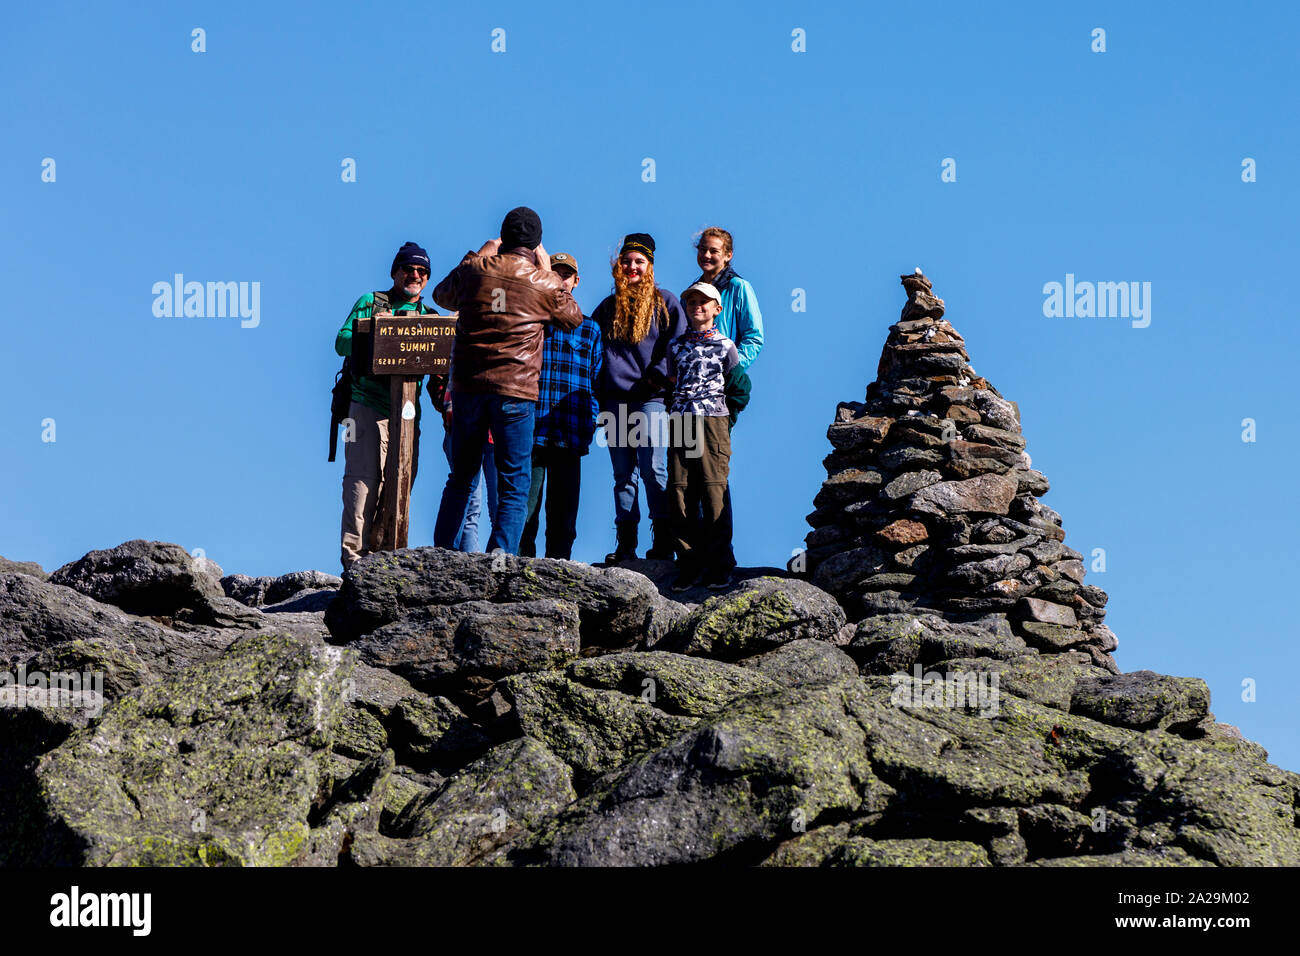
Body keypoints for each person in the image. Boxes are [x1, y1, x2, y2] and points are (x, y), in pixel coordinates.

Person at [430, 207, 582, 555]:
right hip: (516, 391)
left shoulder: (475, 271)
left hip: (469, 387)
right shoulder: (542, 281)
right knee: (514, 482)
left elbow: (441, 295)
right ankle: (500, 559)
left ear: (503, 237)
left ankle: (441, 555)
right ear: (537, 244)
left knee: (461, 478)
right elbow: (573, 317)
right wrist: (546, 270)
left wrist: (479, 253)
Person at [335, 241, 437, 570]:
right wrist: (377, 330)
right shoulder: (372, 302)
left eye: (422, 271)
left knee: (400, 487)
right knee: (363, 484)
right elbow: (341, 342)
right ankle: (354, 564)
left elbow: (441, 370)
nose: (415, 275)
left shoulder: (430, 318)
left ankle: (384, 564)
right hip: (366, 407)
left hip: (407, 417)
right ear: (394, 272)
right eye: (408, 269)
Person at [592, 233, 687, 564]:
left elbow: (677, 343)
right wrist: (600, 393)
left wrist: (657, 376)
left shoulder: (666, 302)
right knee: (623, 475)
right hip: (615, 401)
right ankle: (626, 544)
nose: (632, 266)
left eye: (639, 261)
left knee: (653, 467)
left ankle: (663, 540)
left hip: (652, 398)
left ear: (650, 266)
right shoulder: (607, 307)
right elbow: (594, 351)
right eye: (627, 261)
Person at [519, 253, 602, 560]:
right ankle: (519, 569)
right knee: (524, 511)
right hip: (531, 428)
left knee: (563, 515)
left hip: (570, 431)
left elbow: (596, 383)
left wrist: (589, 423)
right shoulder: (531, 321)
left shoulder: (590, 328)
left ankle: (559, 569)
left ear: (576, 281)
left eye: (567, 275)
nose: (561, 279)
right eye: (555, 273)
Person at [691, 227, 764, 574]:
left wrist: (727, 363)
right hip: (692, 396)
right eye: (703, 250)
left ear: (728, 254)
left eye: (714, 251)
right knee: (690, 473)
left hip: (721, 392)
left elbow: (755, 336)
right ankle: (697, 550)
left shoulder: (738, 288)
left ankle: (721, 554)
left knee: (714, 471)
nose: (707, 256)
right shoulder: (692, 293)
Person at [666, 281, 739, 591]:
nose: (698, 306)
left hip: (712, 420)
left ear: (716, 309)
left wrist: (726, 419)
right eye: (692, 301)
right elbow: (672, 381)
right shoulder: (676, 346)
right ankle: (689, 563)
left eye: (704, 302)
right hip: (681, 418)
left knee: (713, 490)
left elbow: (738, 387)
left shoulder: (726, 345)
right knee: (680, 490)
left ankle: (719, 564)